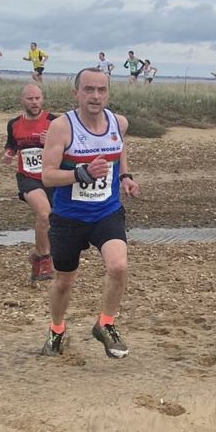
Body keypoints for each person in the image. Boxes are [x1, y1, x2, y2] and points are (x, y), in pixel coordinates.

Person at [40, 68, 139, 358]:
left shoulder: (119, 123)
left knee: (119, 266)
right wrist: (81, 173)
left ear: (108, 93)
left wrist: (125, 177)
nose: (95, 96)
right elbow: (47, 176)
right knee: (63, 282)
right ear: (76, 93)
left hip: (106, 212)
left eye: (101, 90)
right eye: (89, 89)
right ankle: (56, 329)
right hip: (69, 218)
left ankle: (105, 324)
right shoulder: (62, 127)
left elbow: (118, 150)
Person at [3, 84, 57, 282]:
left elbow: (69, 148)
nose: (34, 102)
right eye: (30, 99)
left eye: (37, 98)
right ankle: (44, 260)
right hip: (27, 178)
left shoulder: (54, 122)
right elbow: (12, 144)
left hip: (52, 178)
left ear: (42, 99)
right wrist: (8, 153)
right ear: (22, 100)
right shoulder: (14, 123)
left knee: (54, 224)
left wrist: (50, 140)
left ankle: (35, 256)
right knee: (44, 212)